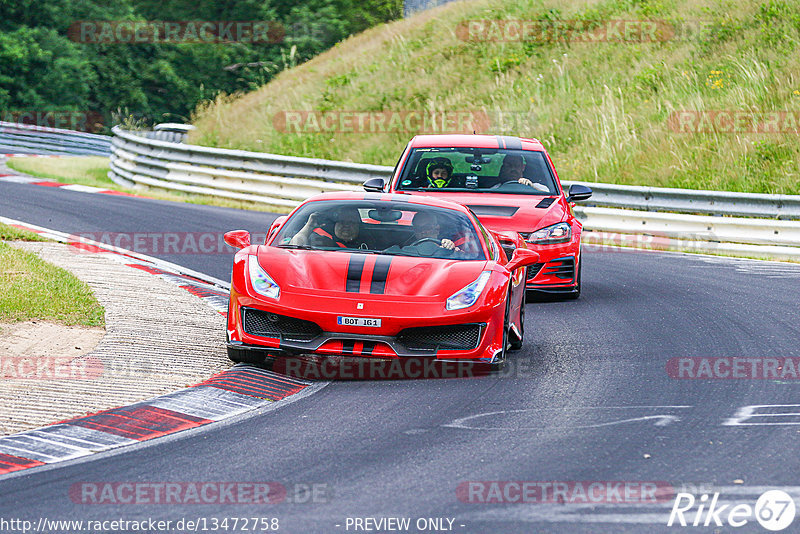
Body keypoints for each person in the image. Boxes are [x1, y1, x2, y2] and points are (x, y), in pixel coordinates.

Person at [291, 207, 369, 249]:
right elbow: (293, 249)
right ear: (334, 225)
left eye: (351, 222)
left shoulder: (370, 242)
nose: (346, 225)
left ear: (359, 225)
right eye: (341, 221)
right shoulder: (319, 240)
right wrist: (309, 226)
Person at [482, 154, 549, 191]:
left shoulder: (535, 186)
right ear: (503, 168)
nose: (513, 169)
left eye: (517, 165)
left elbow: (549, 195)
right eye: (509, 165)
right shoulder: (497, 188)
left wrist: (531, 186)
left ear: (523, 167)